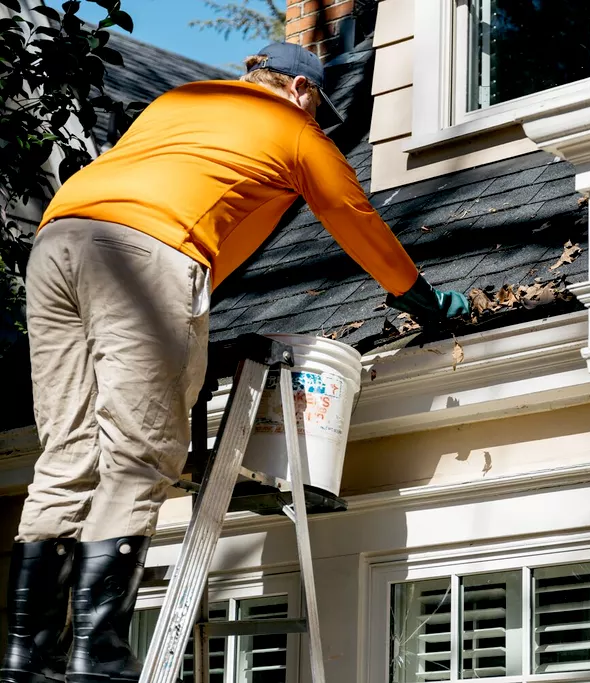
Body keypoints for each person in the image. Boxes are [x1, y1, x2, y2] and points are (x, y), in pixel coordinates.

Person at [1, 42, 469, 683]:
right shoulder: (296, 132)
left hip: (58, 241)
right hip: (150, 254)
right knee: (139, 453)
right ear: (303, 92)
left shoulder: (180, 101)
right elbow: (353, 217)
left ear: (254, 74)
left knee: (67, 452)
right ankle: (96, 651)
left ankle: (27, 655)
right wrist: (419, 295)